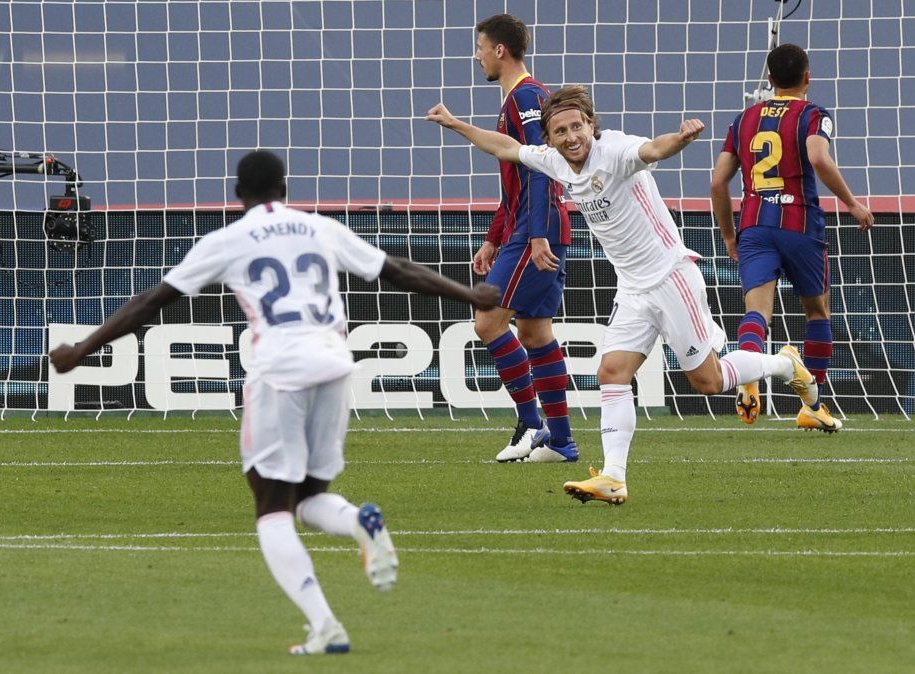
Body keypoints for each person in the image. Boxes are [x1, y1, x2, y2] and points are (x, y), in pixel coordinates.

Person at [49, 150, 500, 654]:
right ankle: (357, 522)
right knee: (308, 497)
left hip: (280, 372)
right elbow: (396, 270)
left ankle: (324, 624)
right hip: (334, 365)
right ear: (286, 188)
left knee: (271, 506)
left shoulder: (228, 239)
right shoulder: (318, 228)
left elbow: (150, 302)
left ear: (238, 195)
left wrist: (81, 350)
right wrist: (471, 297)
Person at [427, 86, 818, 506]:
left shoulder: (614, 150)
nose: (571, 135)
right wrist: (456, 124)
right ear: (550, 139)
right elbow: (506, 147)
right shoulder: (555, 162)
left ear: (591, 126)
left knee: (708, 380)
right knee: (611, 373)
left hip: (671, 277)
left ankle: (783, 364)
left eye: (577, 126)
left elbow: (652, 149)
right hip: (632, 288)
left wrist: (680, 139)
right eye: (560, 130)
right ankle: (613, 477)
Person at [711, 43, 874, 432]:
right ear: (807, 77)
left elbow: (718, 181)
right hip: (800, 225)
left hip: (754, 226)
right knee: (817, 313)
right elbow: (818, 158)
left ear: (768, 80)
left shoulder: (744, 119)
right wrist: (852, 203)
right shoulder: (814, 114)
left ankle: (749, 372)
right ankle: (812, 406)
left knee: (757, 312)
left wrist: (729, 236)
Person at [470, 14, 576, 463]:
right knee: (534, 333)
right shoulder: (514, 100)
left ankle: (531, 426)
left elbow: (538, 168)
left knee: (487, 322)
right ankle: (561, 441)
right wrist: (494, 238)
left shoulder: (527, 97)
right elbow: (514, 182)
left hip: (539, 229)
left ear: (499, 50)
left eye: (479, 47)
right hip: (529, 227)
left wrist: (533, 237)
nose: (475, 56)